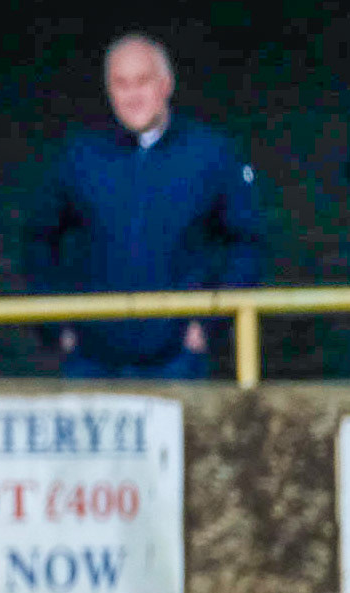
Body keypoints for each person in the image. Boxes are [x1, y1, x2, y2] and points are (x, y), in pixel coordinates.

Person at [24, 33, 263, 379]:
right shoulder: (80, 156)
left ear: (166, 84)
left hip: (178, 359)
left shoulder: (210, 153)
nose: (132, 94)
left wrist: (209, 326)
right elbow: (37, 239)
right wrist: (56, 326)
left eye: (143, 81)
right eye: (120, 84)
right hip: (91, 359)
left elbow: (248, 242)